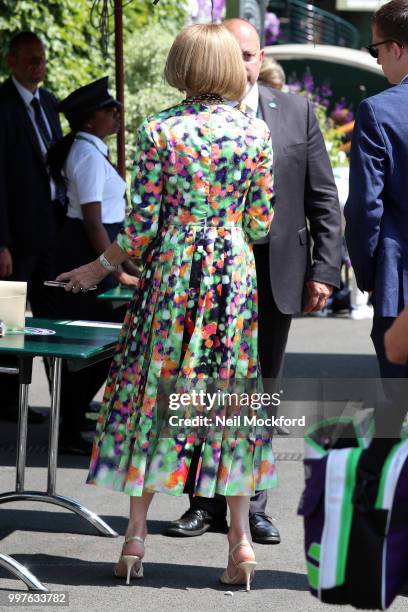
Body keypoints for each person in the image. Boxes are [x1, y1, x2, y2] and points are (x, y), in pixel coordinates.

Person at [56, 23, 275, 589]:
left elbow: (144, 227)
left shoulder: (159, 131)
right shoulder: (254, 133)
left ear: (182, 64)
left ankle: (134, 538)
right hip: (230, 273)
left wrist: (98, 267)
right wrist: (221, 225)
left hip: (173, 275)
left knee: (153, 388)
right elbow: (260, 223)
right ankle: (241, 543)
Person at [165, 18, 341, 545]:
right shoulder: (187, 119)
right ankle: (201, 500)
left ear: (260, 56)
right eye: (232, 54)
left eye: (248, 55)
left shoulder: (294, 111)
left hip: (273, 272)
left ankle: (254, 503)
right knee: (201, 386)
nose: (240, 65)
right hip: (208, 275)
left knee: (258, 390)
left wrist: (325, 271)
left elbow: (322, 197)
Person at [47, 77, 139, 455]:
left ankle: (75, 416)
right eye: (108, 110)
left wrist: (126, 262)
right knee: (89, 344)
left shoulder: (92, 150)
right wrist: (115, 270)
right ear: (88, 120)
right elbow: (93, 220)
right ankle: (68, 428)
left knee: (105, 342)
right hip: (84, 253)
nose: (116, 115)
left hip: (99, 248)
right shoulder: (85, 155)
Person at [0, 31, 64, 423]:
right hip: (15, 236)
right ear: (11, 62)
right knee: (9, 324)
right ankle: (8, 404)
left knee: (51, 319)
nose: (35, 66)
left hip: (50, 234)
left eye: (40, 59)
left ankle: (62, 404)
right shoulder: (3, 105)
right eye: (28, 59)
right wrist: (1, 242)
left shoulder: (50, 102)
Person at [344, 0, 408, 382]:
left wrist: (368, 273)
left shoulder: (377, 111)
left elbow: (366, 206)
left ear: (397, 48)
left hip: (399, 279)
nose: (378, 59)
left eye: (376, 49)